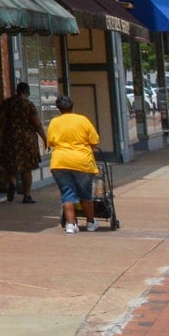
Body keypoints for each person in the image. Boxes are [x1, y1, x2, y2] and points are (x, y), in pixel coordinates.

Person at [46, 93, 103, 233]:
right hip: (82, 161)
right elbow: (94, 140)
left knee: (67, 192)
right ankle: (90, 222)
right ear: (72, 106)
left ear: (58, 108)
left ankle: (70, 225)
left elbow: (51, 141)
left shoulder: (54, 122)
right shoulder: (82, 120)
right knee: (85, 194)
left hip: (60, 162)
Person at [0, 82, 50, 203]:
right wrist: (45, 138)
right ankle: (27, 195)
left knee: (11, 165)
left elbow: (0, 121)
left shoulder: (7, 103)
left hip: (10, 139)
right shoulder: (28, 105)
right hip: (27, 140)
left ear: (17, 90)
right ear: (27, 92)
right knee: (27, 168)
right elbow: (37, 124)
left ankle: (12, 182)